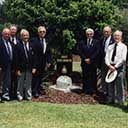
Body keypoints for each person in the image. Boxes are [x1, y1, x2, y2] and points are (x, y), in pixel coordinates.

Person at [105, 30, 127, 104]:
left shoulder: (123, 47)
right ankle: (111, 99)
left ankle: (120, 100)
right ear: (113, 37)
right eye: (115, 36)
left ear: (121, 37)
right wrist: (109, 65)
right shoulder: (110, 46)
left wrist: (116, 66)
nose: (116, 37)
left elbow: (123, 58)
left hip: (119, 68)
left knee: (119, 84)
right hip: (110, 66)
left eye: (118, 36)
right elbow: (106, 57)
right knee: (110, 83)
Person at [77, 28, 100, 94]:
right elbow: (80, 51)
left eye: (90, 34)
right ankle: (85, 90)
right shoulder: (82, 42)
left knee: (93, 76)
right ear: (86, 34)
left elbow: (97, 52)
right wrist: (85, 59)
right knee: (85, 76)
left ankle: (93, 90)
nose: (89, 35)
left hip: (93, 63)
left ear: (93, 34)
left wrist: (90, 59)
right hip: (84, 62)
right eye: (87, 34)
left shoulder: (97, 42)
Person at [31, 26, 52, 98]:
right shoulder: (34, 40)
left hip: (43, 63)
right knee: (35, 78)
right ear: (38, 32)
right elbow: (33, 53)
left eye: (44, 31)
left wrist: (49, 61)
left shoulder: (46, 41)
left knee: (40, 77)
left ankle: (39, 89)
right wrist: (34, 65)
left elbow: (48, 52)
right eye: (40, 31)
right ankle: (34, 91)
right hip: (36, 63)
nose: (42, 33)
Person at [16, 29, 36, 101]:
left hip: (30, 67)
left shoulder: (31, 44)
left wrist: (34, 67)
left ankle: (28, 96)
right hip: (21, 68)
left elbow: (34, 57)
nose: (25, 37)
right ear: (21, 36)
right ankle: (20, 96)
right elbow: (16, 59)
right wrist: (17, 69)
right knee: (20, 83)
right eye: (24, 35)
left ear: (29, 36)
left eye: (27, 35)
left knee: (28, 83)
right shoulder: (18, 45)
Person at [99, 26, 114, 96]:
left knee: (110, 78)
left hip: (111, 63)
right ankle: (104, 92)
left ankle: (110, 93)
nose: (106, 33)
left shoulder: (114, 40)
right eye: (104, 31)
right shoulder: (102, 39)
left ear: (110, 32)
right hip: (103, 62)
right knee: (103, 77)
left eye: (107, 31)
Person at [0, 28, 13, 101]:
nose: (7, 35)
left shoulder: (10, 42)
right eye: (6, 34)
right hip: (1, 66)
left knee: (7, 81)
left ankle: (5, 95)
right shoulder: (0, 42)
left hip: (9, 65)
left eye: (8, 34)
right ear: (2, 34)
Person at [9, 24, 20, 100]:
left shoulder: (19, 40)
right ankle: (9, 95)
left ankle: (15, 94)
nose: (13, 31)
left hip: (17, 65)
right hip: (8, 65)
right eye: (12, 29)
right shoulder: (6, 39)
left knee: (16, 81)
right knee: (9, 81)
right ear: (10, 30)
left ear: (16, 31)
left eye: (14, 29)